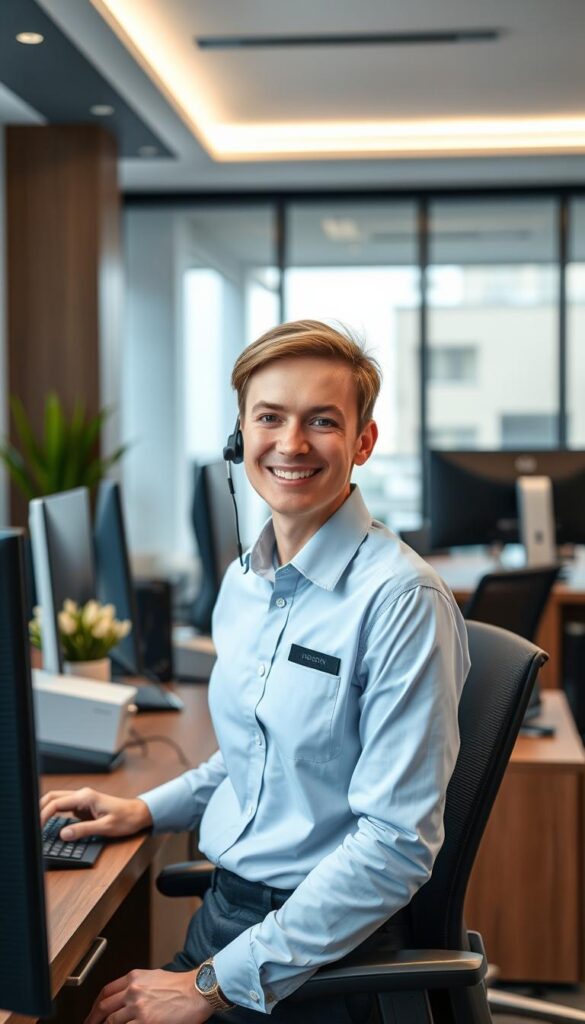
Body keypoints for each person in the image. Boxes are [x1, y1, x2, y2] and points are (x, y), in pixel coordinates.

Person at [41, 320, 470, 1024]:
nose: (292, 444)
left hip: (322, 955)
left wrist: (208, 985)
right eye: (270, 418)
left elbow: (394, 848)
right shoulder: (246, 583)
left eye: (322, 421)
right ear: (240, 437)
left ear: (363, 441)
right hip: (226, 921)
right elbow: (253, 758)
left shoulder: (400, 602)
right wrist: (145, 809)